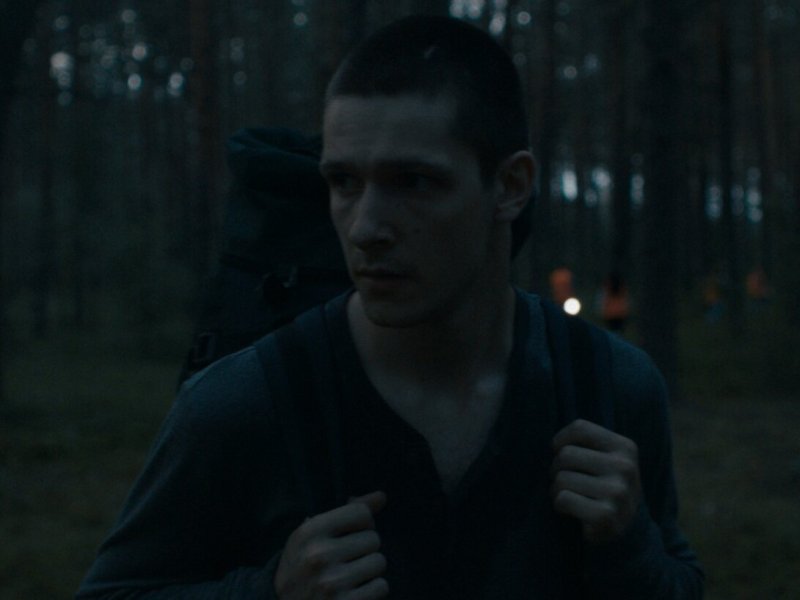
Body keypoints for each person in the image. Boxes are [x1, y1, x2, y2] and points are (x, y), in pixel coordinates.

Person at [76, 16, 703, 599]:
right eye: (344, 182)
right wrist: (267, 592)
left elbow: (679, 579)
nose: (366, 227)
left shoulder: (609, 388)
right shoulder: (245, 402)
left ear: (510, 187)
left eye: (415, 181)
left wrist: (630, 547)